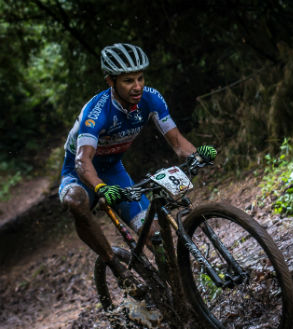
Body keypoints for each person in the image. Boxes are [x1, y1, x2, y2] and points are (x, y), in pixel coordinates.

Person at [58, 43, 214, 285]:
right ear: (111, 81)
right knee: (75, 202)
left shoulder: (151, 99)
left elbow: (178, 143)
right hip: (80, 174)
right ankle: (115, 265)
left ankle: (179, 293)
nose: (137, 86)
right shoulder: (96, 111)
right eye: (128, 80)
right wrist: (99, 188)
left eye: (140, 78)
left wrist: (197, 156)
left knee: (156, 237)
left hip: (112, 171)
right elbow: (82, 161)